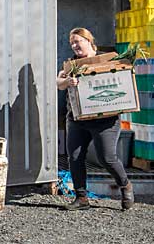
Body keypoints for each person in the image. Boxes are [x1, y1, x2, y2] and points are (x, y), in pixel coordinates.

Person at [57, 27, 134, 211]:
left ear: (89, 41)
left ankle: (125, 185)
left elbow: (125, 75)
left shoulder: (108, 60)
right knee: (75, 158)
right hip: (77, 119)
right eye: (72, 43)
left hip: (105, 120)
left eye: (78, 41)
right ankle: (81, 198)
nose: (75, 46)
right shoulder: (71, 65)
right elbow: (58, 82)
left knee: (106, 158)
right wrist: (67, 82)